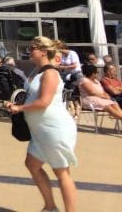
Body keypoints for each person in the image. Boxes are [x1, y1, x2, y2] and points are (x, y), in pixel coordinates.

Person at [6, 37, 77, 212]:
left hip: (54, 129)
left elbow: (44, 102)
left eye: (32, 48)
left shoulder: (50, 73)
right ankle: (50, 206)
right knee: (32, 164)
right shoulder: (38, 73)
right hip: (41, 131)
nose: (29, 51)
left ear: (43, 52)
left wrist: (19, 108)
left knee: (61, 172)